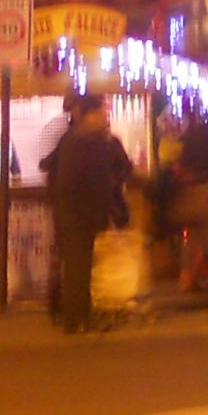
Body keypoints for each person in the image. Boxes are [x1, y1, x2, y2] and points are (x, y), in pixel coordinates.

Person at [41, 97, 134, 333]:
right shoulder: (87, 142)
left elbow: (49, 166)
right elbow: (78, 180)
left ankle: (76, 316)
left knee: (78, 266)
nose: (105, 116)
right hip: (80, 213)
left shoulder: (76, 139)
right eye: (102, 111)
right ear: (89, 115)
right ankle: (77, 318)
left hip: (75, 212)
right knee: (78, 267)